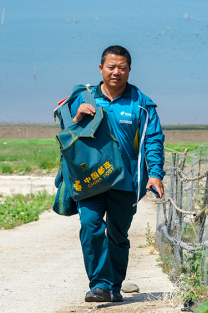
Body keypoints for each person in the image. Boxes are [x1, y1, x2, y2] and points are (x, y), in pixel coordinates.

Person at [69, 45, 165, 303]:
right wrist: (77, 118)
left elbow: (153, 140)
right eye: (111, 67)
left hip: (126, 181)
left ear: (130, 70)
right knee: (90, 225)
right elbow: (67, 137)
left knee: (118, 235)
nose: (116, 72)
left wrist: (155, 174)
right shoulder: (83, 98)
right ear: (101, 68)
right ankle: (99, 284)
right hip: (90, 180)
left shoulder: (142, 104)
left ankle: (113, 286)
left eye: (122, 68)